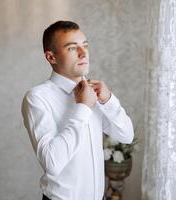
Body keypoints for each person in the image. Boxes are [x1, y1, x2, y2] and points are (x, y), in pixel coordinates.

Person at [21, 20, 134, 200]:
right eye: (73, 48)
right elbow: (52, 162)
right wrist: (83, 107)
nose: (83, 54)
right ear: (51, 57)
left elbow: (126, 135)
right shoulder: (37, 98)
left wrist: (109, 100)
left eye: (85, 46)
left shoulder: (95, 93)